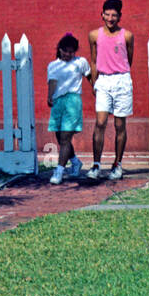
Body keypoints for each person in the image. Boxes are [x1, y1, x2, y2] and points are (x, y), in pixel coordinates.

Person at [87, 0, 133, 180]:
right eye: (107, 14)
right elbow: (93, 59)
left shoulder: (127, 35)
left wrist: (121, 75)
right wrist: (94, 82)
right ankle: (96, 165)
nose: (110, 18)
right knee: (100, 122)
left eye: (114, 15)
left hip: (121, 80)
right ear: (102, 14)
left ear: (119, 16)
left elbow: (128, 59)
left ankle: (117, 164)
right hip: (103, 80)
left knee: (120, 124)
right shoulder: (94, 35)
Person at [46, 32, 90, 184]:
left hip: (73, 101)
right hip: (58, 102)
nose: (68, 54)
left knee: (65, 138)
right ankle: (75, 162)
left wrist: (97, 89)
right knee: (59, 137)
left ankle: (59, 171)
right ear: (60, 49)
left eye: (71, 52)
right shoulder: (53, 65)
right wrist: (49, 96)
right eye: (65, 51)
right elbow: (52, 82)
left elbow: (90, 76)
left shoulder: (80, 62)